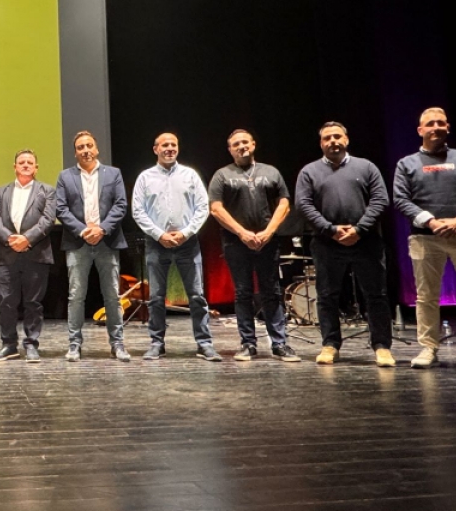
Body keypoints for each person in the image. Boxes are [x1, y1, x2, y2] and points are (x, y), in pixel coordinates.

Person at [393, 107, 456, 371]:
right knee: (426, 297)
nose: (436, 127)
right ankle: (429, 348)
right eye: (430, 124)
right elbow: (401, 199)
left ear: (448, 127)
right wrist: (431, 221)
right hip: (425, 239)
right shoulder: (406, 164)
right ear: (420, 130)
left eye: (441, 123)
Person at [295, 122, 395, 367]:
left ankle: (382, 346)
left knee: (376, 295)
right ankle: (330, 345)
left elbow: (381, 200)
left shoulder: (366, 167)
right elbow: (303, 205)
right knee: (327, 296)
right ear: (321, 143)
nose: (333, 141)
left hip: (366, 241)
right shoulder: (309, 171)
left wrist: (359, 229)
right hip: (327, 243)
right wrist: (331, 230)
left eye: (337, 136)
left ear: (346, 140)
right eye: (327, 138)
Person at [208, 130, 300, 362]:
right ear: (230, 149)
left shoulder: (271, 172)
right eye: (236, 144)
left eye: (245, 142)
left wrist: (269, 232)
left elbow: (284, 204)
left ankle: (279, 344)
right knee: (243, 293)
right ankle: (248, 344)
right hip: (236, 243)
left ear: (253, 144)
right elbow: (216, 209)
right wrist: (242, 233)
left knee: (272, 291)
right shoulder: (222, 175)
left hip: (267, 241)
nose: (241, 146)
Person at [132, 133, 219, 362]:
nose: (169, 148)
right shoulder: (145, 177)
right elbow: (138, 211)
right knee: (156, 297)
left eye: (173, 144)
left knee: (197, 296)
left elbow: (203, 208)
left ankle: (204, 343)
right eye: (165, 145)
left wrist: (185, 233)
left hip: (187, 244)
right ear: (155, 149)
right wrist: (159, 235)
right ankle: (157, 344)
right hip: (156, 243)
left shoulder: (190, 175)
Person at [55, 131, 131, 362]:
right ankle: (74, 345)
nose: (85, 150)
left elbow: (120, 204)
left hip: (107, 241)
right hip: (78, 243)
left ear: (96, 149)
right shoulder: (65, 176)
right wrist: (83, 231)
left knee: (112, 296)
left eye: (89, 146)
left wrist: (102, 229)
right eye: (80, 147)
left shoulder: (113, 174)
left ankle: (117, 344)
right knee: (76, 296)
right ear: (75, 153)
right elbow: (61, 209)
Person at [0, 149, 57, 363]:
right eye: (21, 162)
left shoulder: (47, 191)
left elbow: (48, 219)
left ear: (36, 168)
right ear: (15, 167)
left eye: (30, 162)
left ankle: (31, 345)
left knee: (33, 303)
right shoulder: (1, 191)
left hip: (35, 254)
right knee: (6, 302)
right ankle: (9, 345)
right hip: (7, 254)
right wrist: (10, 239)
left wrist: (26, 239)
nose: (25, 165)